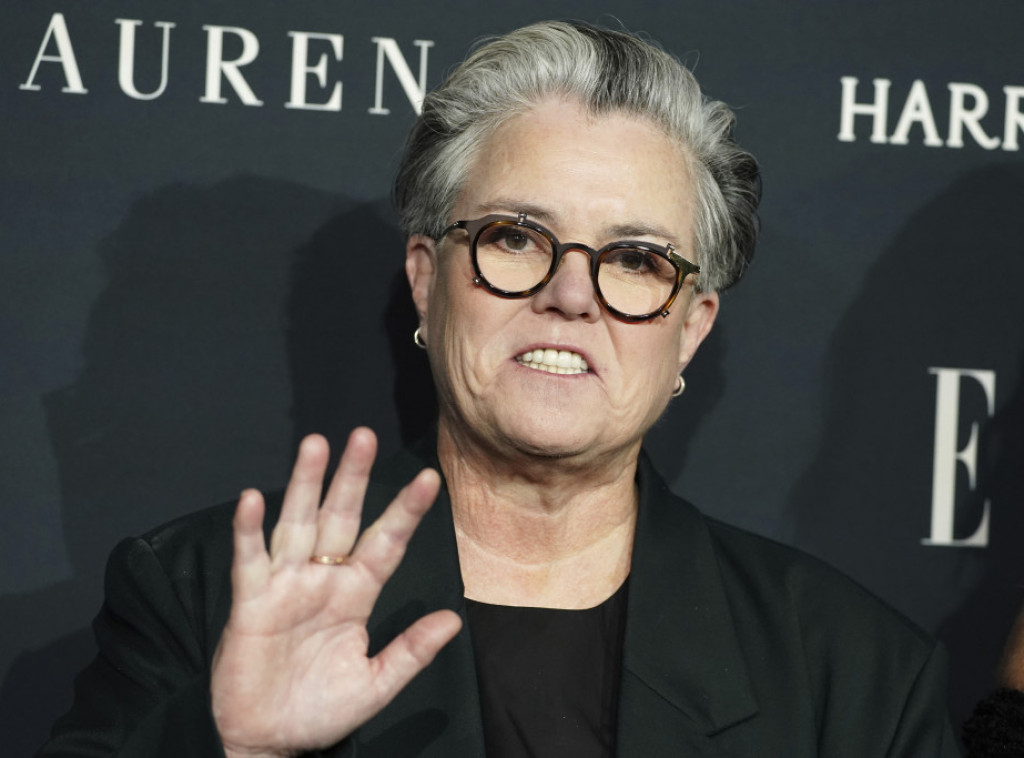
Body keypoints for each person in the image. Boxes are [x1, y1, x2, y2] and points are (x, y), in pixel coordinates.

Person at [40, 20, 960, 757]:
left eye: (635, 260)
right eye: (516, 238)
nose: (570, 295)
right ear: (426, 279)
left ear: (692, 327)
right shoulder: (200, 594)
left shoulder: (854, 675)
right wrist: (232, 745)